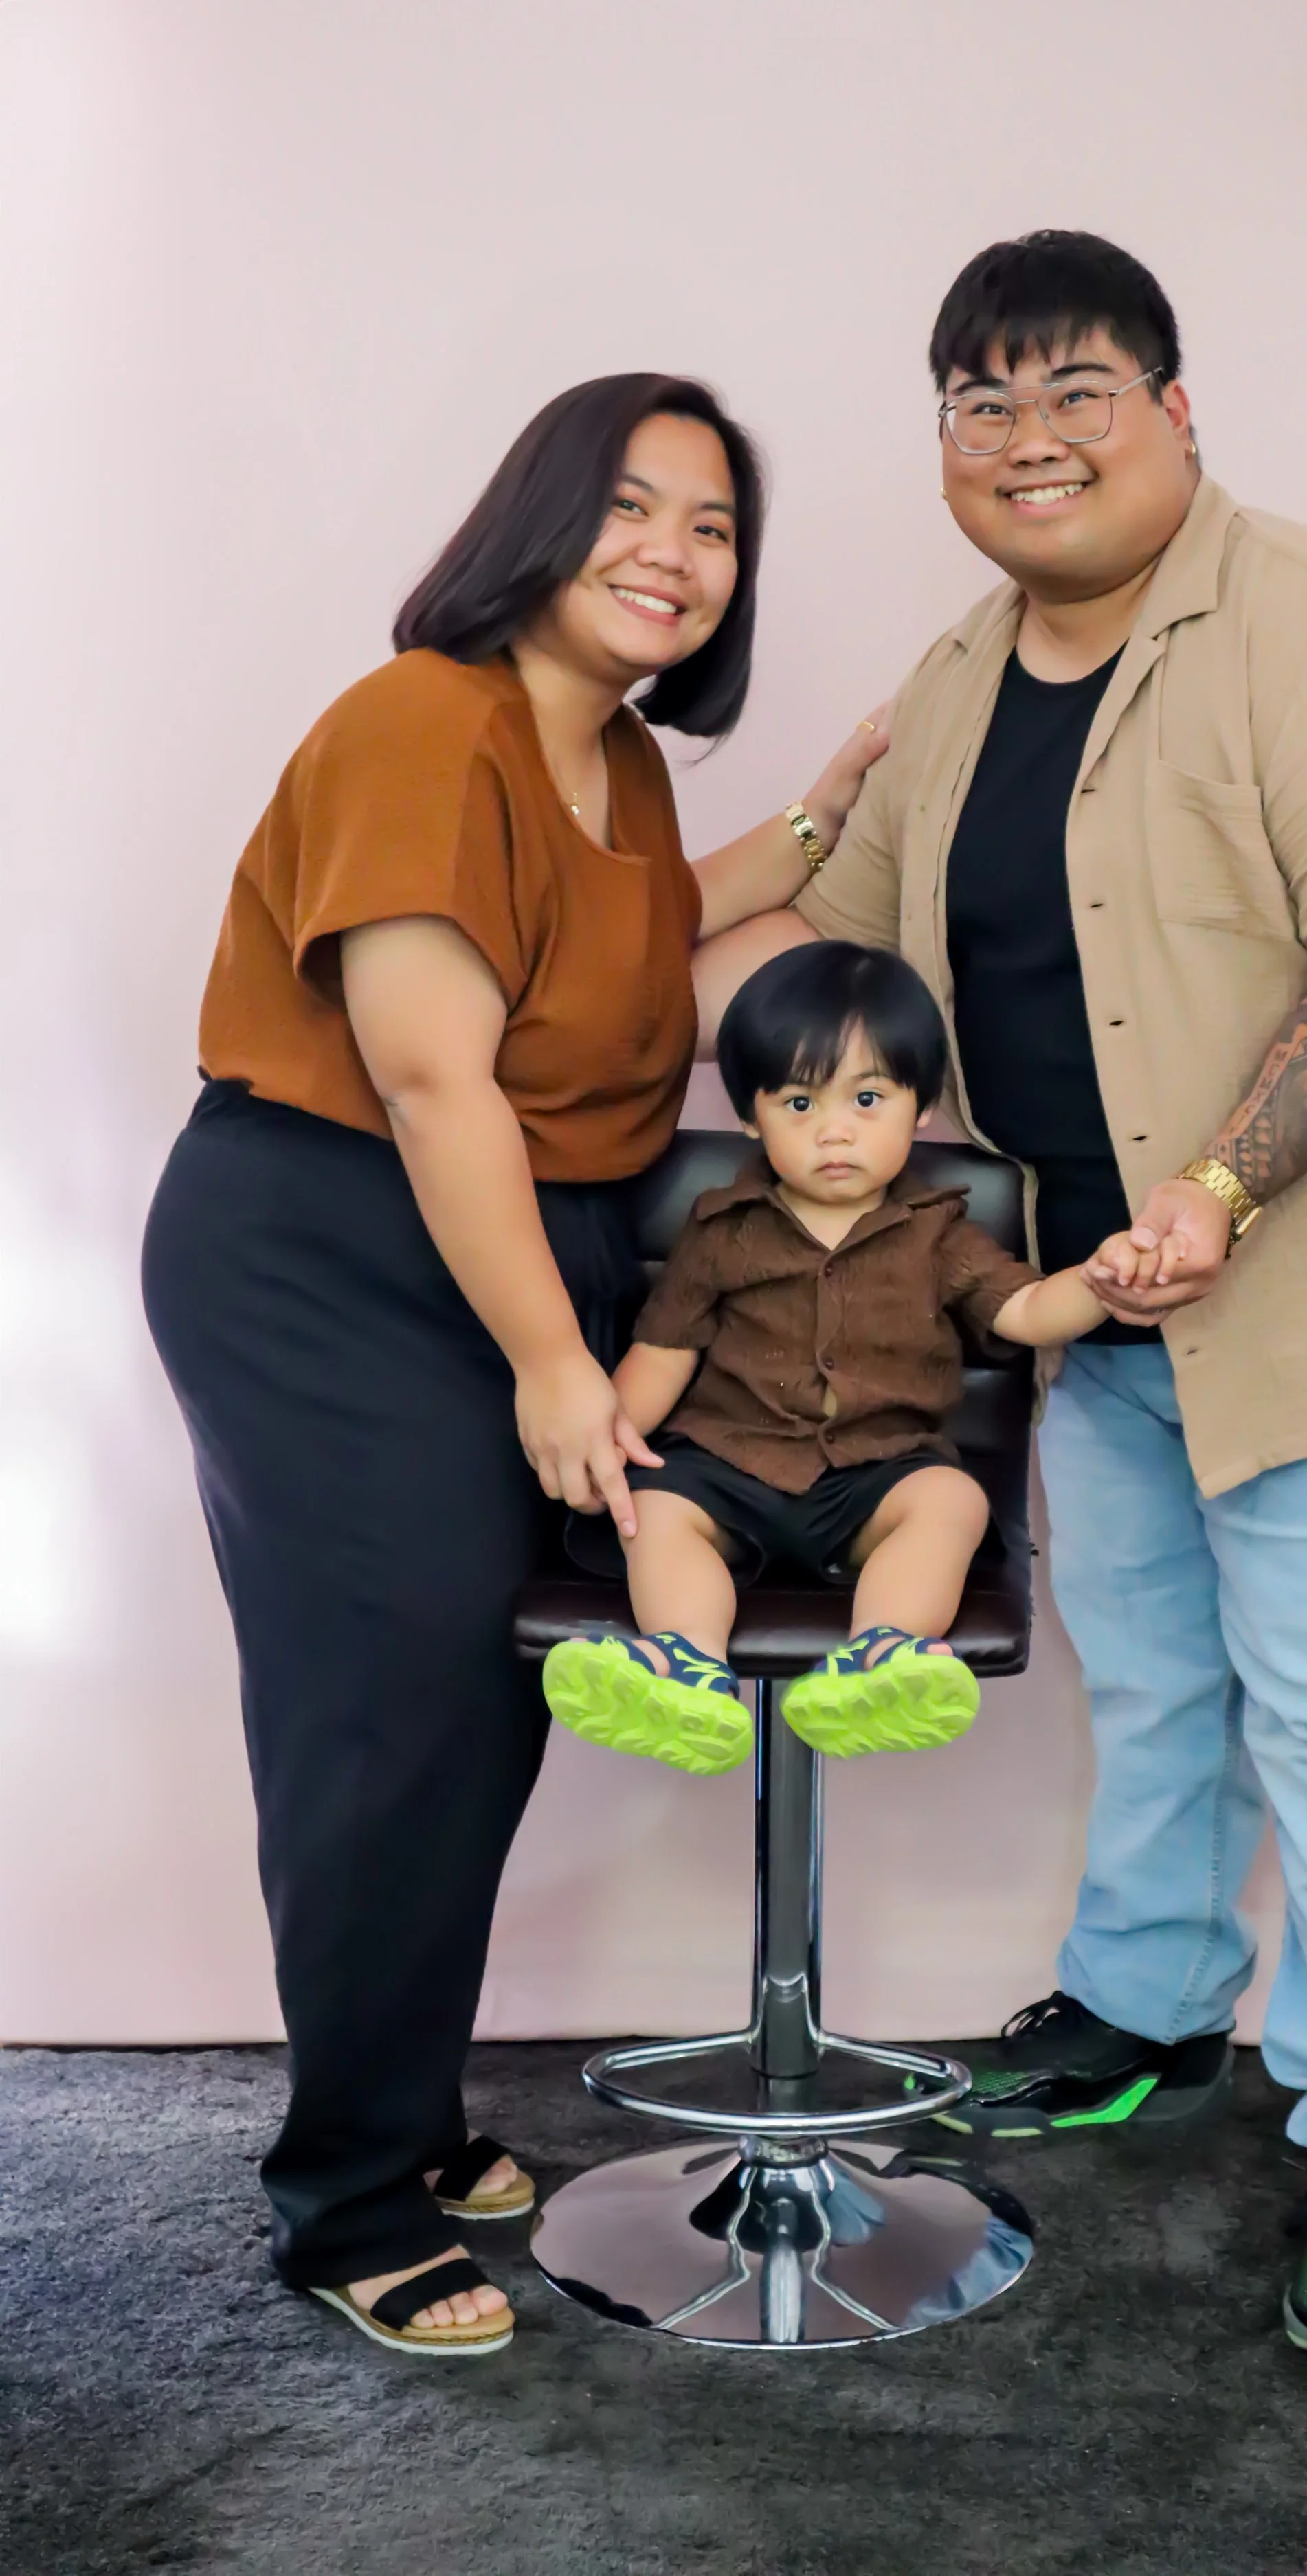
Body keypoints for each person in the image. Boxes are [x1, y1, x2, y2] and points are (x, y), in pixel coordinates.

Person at [698, 232, 1307, 2362]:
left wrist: (1223, 1188)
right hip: (1083, 1307)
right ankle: (1147, 2005)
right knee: (1157, 1684)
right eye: (978, 403)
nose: (1024, 436)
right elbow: (837, 954)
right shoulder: (962, 677)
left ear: (1175, 412)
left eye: (1072, 387)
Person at [142, 373, 888, 2357]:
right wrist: (562, 1366)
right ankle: (347, 2195)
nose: (671, 550)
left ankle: (399, 2097)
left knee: (484, 1696)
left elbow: (644, 942)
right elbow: (425, 1069)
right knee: (382, 1706)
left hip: (509, 1248)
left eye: (712, 525)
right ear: (533, 519)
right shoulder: (422, 720)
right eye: (630, 505)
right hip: (331, 1246)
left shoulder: (616, 767)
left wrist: (839, 800)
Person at [544, 942, 1135, 1771]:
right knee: (658, 1514)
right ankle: (683, 1664)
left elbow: (1029, 1310)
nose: (834, 1131)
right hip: (724, 1464)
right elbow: (662, 1352)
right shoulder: (721, 1231)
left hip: (876, 1474)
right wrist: (606, 1449)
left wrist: (1101, 1280)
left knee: (951, 1503)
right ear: (750, 1115)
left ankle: (880, 1656)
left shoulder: (939, 1233)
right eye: (797, 1102)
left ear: (919, 1106)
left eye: (866, 1099)